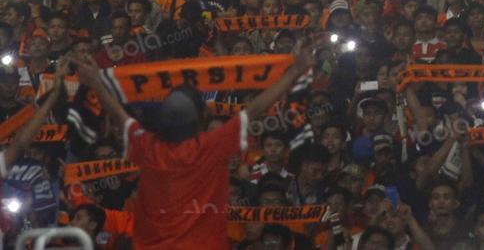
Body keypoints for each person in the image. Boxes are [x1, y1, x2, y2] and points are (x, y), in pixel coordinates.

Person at [69, 41, 315, 249]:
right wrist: (294, 72)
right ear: (200, 119)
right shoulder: (212, 145)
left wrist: (95, 83)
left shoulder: (145, 145)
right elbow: (256, 109)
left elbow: (119, 115)